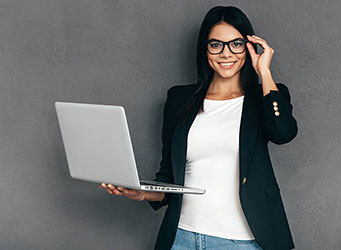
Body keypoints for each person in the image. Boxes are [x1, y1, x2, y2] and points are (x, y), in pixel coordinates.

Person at [100, 5, 298, 250]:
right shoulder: (179, 99)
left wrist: (264, 72)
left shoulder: (264, 98)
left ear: (249, 47)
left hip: (242, 241)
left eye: (236, 44)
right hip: (182, 237)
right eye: (216, 45)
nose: (226, 54)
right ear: (205, 49)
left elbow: (283, 133)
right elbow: (169, 179)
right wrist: (141, 193)